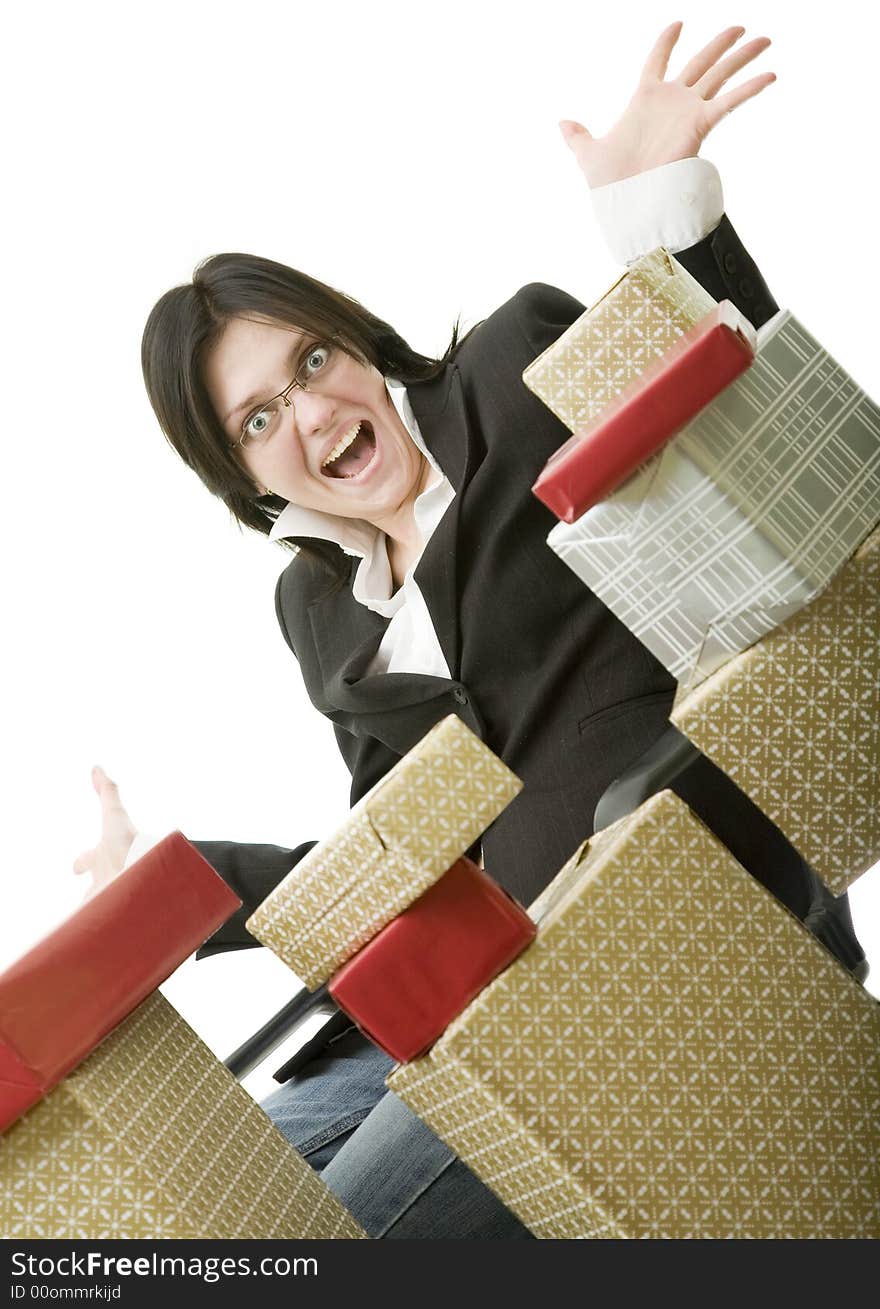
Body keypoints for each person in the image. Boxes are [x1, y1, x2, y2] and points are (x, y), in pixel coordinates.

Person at [74, 23, 865, 1238]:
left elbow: (769, 448)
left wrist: (659, 214)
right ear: (240, 476)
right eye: (258, 419)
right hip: (443, 1009)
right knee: (211, 1228)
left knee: (336, 1233)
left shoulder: (509, 368)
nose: (314, 410)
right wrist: (176, 892)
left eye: (315, 357)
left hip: (652, 943)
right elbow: (393, 855)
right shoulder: (318, 612)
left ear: (355, 338)